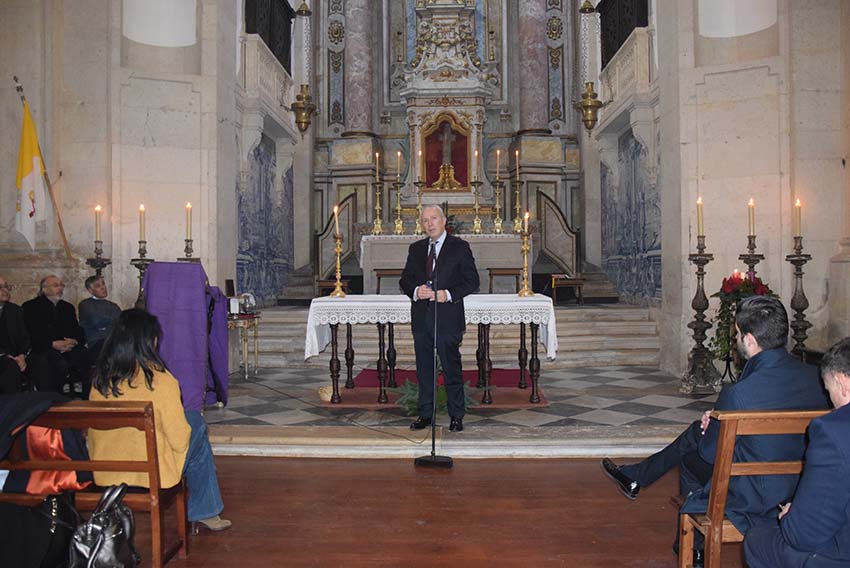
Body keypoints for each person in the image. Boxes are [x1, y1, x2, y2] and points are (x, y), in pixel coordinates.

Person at [600, 296, 830, 563]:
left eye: (737, 334)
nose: (736, 340)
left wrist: (710, 428)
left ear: (751, 341)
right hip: (802, 486)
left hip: (757, 494)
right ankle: (640, 480)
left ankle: (693, 546)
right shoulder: (816, 378)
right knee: (698, 432)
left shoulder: (739, 393)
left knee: (691, 455)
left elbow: (711, 454)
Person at [87, 308, 231, 532]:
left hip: (107, 471)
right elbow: (180, 440)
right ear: (149, 341)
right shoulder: (160, 381)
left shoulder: (100, 381)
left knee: (194, 424)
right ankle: (205, 510)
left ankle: (207, 510)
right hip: (151, 473)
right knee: (197, 425)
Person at [744, 337, 850, 567]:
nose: (831, 401)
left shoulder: (834, 430)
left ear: (842, 382)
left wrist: (792, 516)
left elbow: (804, 536)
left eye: (829, 389)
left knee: (759, 538)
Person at [400, 205, 479, 433]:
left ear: (443, 220)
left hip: (448, 318)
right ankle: (425, 414)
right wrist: (416, 291)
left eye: (434, 218)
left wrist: (448, 294)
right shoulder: (416, 249)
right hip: (422, 318)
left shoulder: (459, 247)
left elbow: (472, 280)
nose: (429, 224)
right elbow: (404, 280)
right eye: (425, 220)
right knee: (424, 369)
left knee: (451, 368)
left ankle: (456, 415)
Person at [22, 275, 91, 395]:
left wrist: (74, 341)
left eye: (61, 285)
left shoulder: (67, 307)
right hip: (44, 348)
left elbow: (77, 329)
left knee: (84, 355)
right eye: (55, 285)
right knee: (52, 362)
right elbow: (30, 333)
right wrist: (52, 344)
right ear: (44, 289)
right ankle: (54, 399)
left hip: (68, 347)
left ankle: (87, 398)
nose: (60, 288)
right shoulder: (30, 307)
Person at [0, 276, 30, 394]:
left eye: (6, 287)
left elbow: (24, 337)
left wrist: (22, 355)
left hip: (13, 357)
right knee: (10, 366)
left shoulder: (15, 310)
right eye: (0, 287)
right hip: (5, 357)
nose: (5, 290)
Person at [78, 275, 121, 357]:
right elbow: (96, 322)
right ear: (90, 290)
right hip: (96, 342)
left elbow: (121, 323)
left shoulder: (113, 305)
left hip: (113, 340)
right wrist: (112, 322)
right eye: (98, 286)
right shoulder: (85, 304)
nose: (103, 287)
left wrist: (106, 325)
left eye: (103, 284)